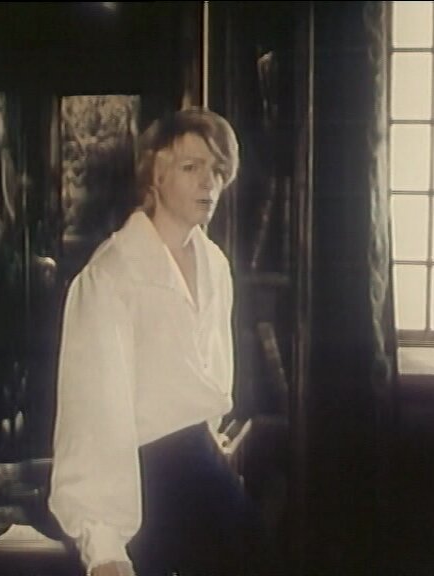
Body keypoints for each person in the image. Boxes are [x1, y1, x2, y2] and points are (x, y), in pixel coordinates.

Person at [49, 108, 266, 576]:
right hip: (143, 482)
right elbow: (92, 419)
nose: (208, 182)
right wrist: (103, 546)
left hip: (204, 466)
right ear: (155, 175)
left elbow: (208, 382)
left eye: (217, 170)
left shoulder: (215, 264)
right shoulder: (111, 277)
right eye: (191, 167)